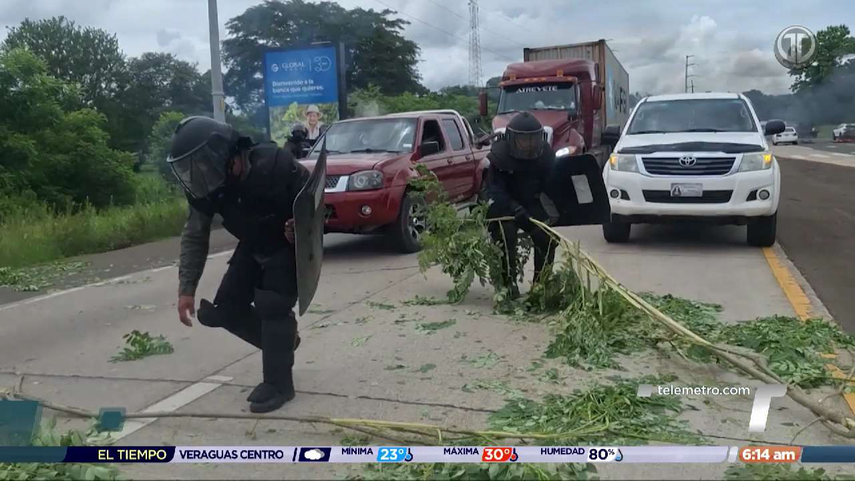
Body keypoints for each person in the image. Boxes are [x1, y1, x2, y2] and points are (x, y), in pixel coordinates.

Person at [168, 116, 310, 413]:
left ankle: (279, 384)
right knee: (223, 312)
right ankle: (281, 344)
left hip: (285, 246)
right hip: (252, 244)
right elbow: (195, 236)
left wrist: (300, 228)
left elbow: (317, 205)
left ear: (227, 154)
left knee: (273, 306)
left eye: (203, 162)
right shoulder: (206, 190)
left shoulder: (275, 165)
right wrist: (186, 289)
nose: (200, 173)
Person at [486, 112, 558, 299]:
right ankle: (508, 285)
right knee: (505, 235)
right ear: (512, 139)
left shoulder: (546, 155)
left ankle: (540, 286)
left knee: (547, 238)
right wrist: (512, 207)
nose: (530, 144)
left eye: (533, 139)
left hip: (531, 204)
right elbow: (495, 190)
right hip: (505, 206)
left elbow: (551, 185)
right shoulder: (499, 156)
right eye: (524, 140)